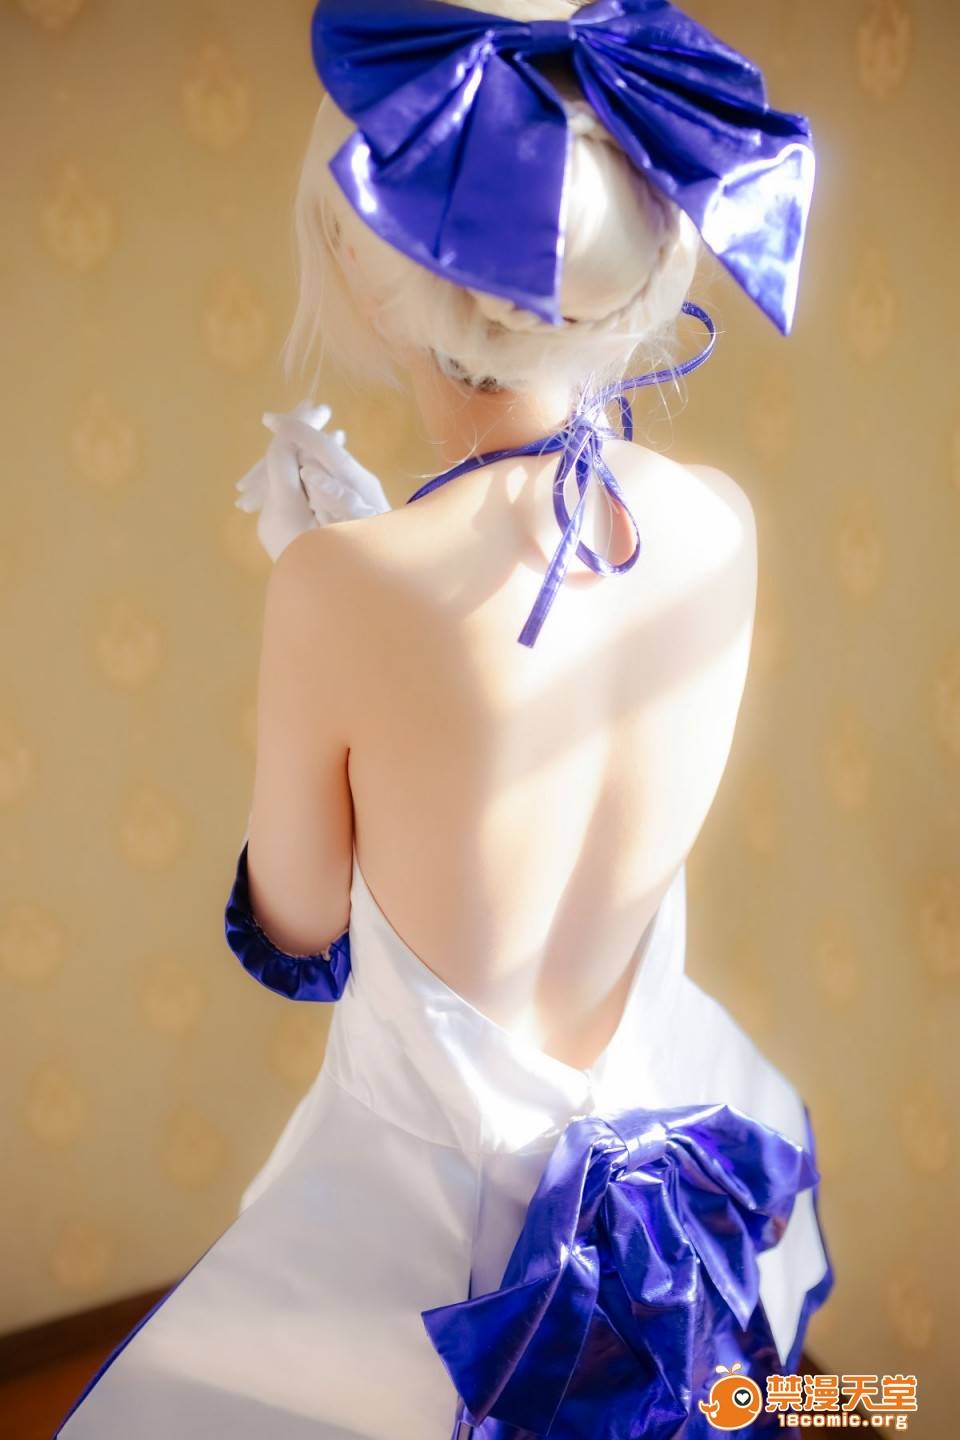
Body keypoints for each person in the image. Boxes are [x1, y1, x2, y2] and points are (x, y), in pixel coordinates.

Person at [55, 2, 833, 1436]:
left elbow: (299, 931)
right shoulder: (721, 523)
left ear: (370, 270)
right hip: (672, 1152)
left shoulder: (341, 586)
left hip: (428, 1253)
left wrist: (332, 587)